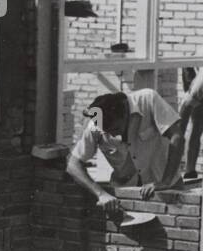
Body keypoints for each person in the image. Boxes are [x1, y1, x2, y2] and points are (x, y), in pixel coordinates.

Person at [66, 88, 187, 221]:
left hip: (166, 189)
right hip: (126, 195)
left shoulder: (148, 100)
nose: (113, 135)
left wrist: (165, 181)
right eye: (108, 132)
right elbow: (73, 164)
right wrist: (100, 193)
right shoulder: (94, 125)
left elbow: (177, 137)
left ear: (125, 114)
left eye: (116, 129)